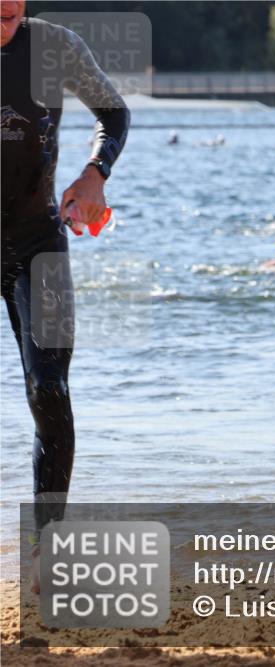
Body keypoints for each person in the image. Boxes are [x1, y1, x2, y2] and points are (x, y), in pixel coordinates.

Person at [1, 1, 130, 591]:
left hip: (37, 241)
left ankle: (46, 548)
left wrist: (96, 172)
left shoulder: (52, 46)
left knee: (48, 388)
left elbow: (113, 111)